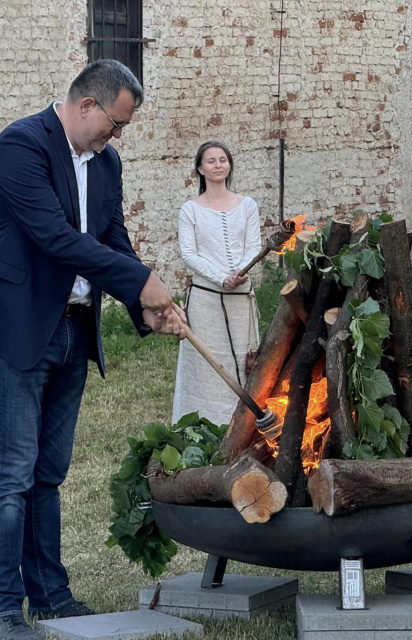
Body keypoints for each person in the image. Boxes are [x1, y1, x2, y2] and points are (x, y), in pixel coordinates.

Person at [0, 60, 185, 639]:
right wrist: (144, 280)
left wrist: (145, 307)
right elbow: (55, 239)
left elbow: (113, 241)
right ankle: (5, 607)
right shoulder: (20, 147)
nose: (118, 136)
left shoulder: (106, 163)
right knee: (12, 476)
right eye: (115, 124)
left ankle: (51, 596)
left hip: (76, 332)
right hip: (21, 331)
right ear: (87, 106)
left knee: (50, 474)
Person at [171, 142, 262, 427]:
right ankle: (203, 426)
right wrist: (221, 277)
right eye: (211, 161)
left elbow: (253, 245)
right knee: (205, 368)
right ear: (200, 168)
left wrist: (241, 271)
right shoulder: (190, 210)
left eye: (223, 159)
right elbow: (189, 254)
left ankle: (245, 426)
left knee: (246, 363)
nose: (218, 165)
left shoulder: (247, 205)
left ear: (230, 165)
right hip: (206, 301)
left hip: (240, 298)